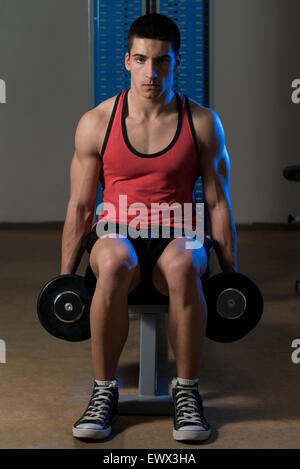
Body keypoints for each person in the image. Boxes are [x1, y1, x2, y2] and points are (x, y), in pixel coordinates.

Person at [60, 13, 237, 442]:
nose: (150, 72)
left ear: (177, 62)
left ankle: (187, 394)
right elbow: (82, 205)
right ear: (126, 61)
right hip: (116, 229)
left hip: (179, 229)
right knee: (116, 258)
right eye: (141, 60)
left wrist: (232, 279)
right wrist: (64, 279)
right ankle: (104, 393)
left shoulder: (201, 123)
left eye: (161, 61)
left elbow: (216, 202)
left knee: (181, 265)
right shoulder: (97, 122)